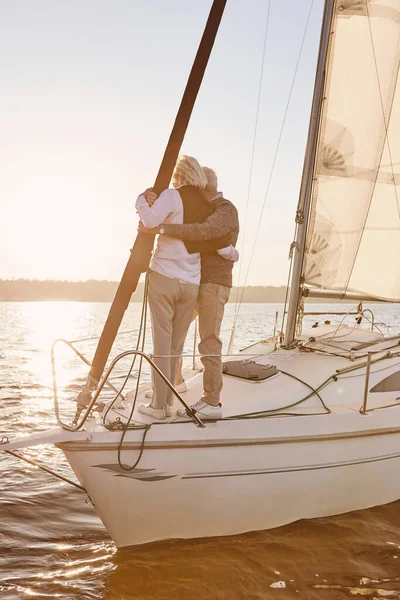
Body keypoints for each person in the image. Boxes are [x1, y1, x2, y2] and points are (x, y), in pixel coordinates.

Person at [140, 166, 239, 420]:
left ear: (203, 187)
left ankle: (211, 400)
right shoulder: (200, 206)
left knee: (207, 340)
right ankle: (173, 384)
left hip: (212, 284)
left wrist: (161, 228)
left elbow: (202, 232)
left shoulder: (224, 210)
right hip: (194, 280)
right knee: (175, 336)